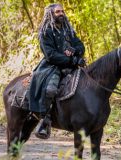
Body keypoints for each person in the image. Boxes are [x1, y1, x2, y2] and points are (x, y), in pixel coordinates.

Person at [29, 3, 85, 139]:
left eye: (62, 11)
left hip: (72, 65)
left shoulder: (68, 29)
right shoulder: (45, 32)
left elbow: (80, 45)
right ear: (51, 14)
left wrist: (75, 51)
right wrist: (72, 60)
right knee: (50, 90)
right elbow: (51, 55)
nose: (61, 13)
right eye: (58, 12)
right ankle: (44, 121)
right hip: (52, 66)